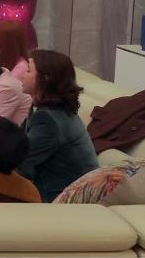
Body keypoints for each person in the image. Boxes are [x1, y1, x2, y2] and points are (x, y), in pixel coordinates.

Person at [17, 50, 99, 202]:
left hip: (61, 200)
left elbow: (21, 163)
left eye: (28, 70)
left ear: (45, 78)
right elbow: (17, 143)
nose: (23, 74)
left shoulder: (48, 120)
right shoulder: (42, 109)